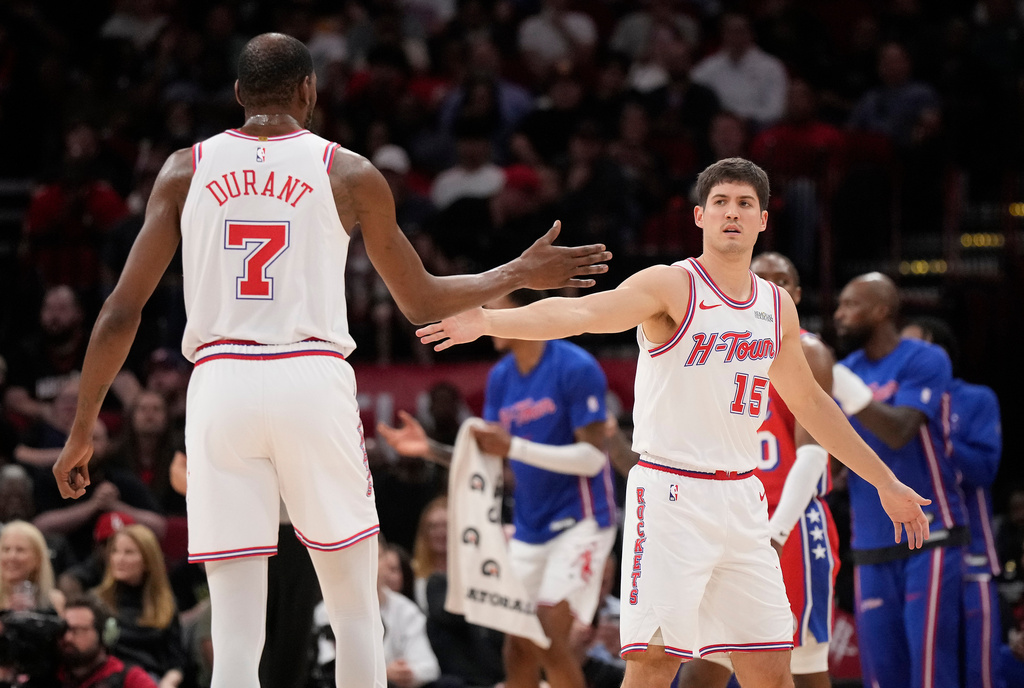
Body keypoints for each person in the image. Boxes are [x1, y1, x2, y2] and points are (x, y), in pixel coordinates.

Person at [51, 32, 610, 688]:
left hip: (218, 384)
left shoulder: (184, 169)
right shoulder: (346, 171)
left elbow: (120, 312)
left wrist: (83, 429)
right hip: (309, 378)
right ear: (308, 91)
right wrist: (518, 269)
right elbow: (422, 299)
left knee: (235, 634)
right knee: (352, 614)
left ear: (238, 95)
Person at [415, 157, 930, 688]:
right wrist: (487, 320)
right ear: (700, 217)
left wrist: (885, 482)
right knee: (654, 664)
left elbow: (815, 405)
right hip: (671, 495)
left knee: (771, 670)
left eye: (745, 204)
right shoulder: (672, 286)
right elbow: (584, 314)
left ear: (763, 221)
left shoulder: (776, 307)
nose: (733, 212)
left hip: (743, 500)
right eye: (722, 203)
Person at [380, 288, 617, 688]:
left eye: (494, 309)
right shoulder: (502, 377)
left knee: (544, 635)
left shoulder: (576, 367)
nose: (484, 317)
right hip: (529, 528)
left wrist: (516, 447)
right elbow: (491, 457)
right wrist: (429, 450)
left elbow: (593, 459)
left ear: (526, 314)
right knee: (516, 648)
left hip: (582, 521)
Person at [677, 251, 839, 688]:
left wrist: (776, 532)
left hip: (791, 528)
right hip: (733, 520)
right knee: (704, 668)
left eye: (782, 281)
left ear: (797, 295)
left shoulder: (807, 349)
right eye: (761, 280)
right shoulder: (725, 352)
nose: (771, 289)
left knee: (802, 671)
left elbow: (813, 453)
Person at [831, 273, 967, 688]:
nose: (839, 315)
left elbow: (900, 430)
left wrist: (848, 392)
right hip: (870, 542)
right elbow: (836, 467)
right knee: (880, 676)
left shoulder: (924, 358)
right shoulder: (845, 371)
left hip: (930, 535)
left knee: (929, 670)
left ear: (881, 310)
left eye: (850, 305)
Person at [902, 316, 1005, 688]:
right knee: (925, 665)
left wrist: (931, 434)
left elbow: (984, 470)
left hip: (970, 553)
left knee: (981, 671)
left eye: (909, 347)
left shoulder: (975, 398)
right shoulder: (896, 405)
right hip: (912, 553)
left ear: (934, 351)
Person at [92, 524, 186, 688]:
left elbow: (176, 662)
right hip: (105, 680)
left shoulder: (164, 604)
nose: (119, 559)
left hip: (149, 679)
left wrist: (168, 683)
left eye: (129, 552)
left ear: (148, 560)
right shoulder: (96, 601)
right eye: (115, 551)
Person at [57, 595, 158, 688]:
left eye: (77, 631)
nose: (67, 637)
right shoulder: (52, 673)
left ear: (104, 635)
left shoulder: (130, 678)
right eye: (64, 629)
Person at [0, 520, 65, 613]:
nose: (11, 556)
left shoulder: (54, 601)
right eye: (6, 549)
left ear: (38, 559)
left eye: (20, 550)